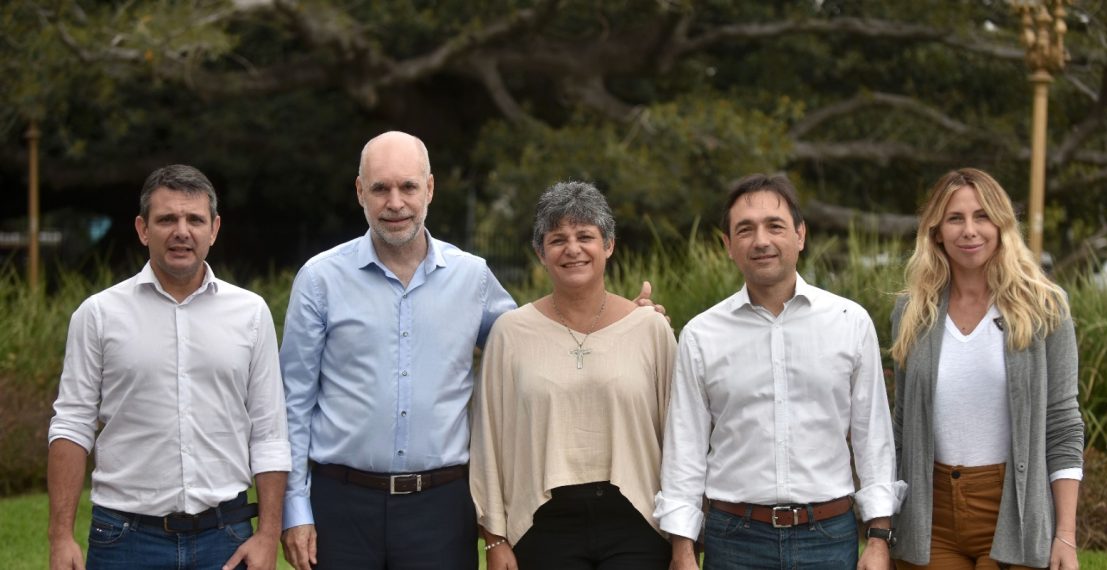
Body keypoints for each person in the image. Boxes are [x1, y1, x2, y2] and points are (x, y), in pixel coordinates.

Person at [279, 131, 663, 570]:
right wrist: (296, 511)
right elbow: (293, 404)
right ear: (360, 192)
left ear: (430, 189)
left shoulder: (472, 277)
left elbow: (539, 339)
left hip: (440, 508)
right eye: (381, 188)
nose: (395, 202)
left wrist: (621, 323)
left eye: (408, 186)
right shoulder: (320, 279)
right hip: (341, 504)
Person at [654, 173, 905, 570]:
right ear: (728, 246)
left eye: (775, 226)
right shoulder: (701, 334)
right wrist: (682, 549)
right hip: (734, 539)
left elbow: (873, 438)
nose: (761, 240)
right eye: (745, 229)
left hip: (828, 537)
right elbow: (685, 449)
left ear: (800, 235)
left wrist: (878, 538)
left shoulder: (849, 322)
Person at [47, 164, 291, 570]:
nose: (182, 231)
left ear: (214, 229)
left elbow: (269, 432)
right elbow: (72, 425)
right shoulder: (98, 315)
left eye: (195, 219)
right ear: (143, 229)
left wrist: (268, 535)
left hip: (226, 539)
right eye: (167, 219)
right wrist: (60, 537)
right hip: (124, 540)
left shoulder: (251, 313)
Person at [470, 181, 676, 570]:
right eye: (557, 239)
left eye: (586, 236)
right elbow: (487, 440)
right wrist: (494, 537)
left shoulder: (650, 329)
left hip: (638, 520)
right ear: (540, 252)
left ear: (609, 245)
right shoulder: (510, 333)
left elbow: (678, 436)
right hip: (542, 523)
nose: (573, 249)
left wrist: (683, 537)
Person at [889, 168, 1083, 570]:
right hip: (932, 515)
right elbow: (902, 424)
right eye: (955, 218)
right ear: (936, 231)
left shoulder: (1045, 307)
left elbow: (1063, 424)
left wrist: (1065, 534)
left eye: (982, 216)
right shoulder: (912, 312)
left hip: (1015, 507)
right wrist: (883, 528)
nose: (969, 230)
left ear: (1002, 224)